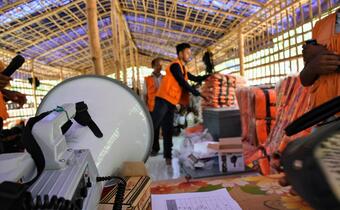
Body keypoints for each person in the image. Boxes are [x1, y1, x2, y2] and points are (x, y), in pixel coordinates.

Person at [151, 43, 209, 165]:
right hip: (162, 100)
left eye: (190, 53)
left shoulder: (184, 69)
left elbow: (194, 78)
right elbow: (183, 83)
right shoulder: (175, 66)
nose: (189, 55)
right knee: (152, 125)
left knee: (168, 130)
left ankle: (168, 157)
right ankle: (142, 149)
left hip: (171, 102)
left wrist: (208, 76)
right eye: (187, 53)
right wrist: (197, 93)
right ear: (180, 53)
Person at [143, 58, 164, 156]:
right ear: (153, 66)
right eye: (157, 65)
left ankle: (168, 150)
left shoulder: (165, 78)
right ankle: (155, 149)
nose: (160, 67)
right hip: (153, 108)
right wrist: (145, 108)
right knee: (154, 129)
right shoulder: (147, 79)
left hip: (165, 107)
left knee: (167, 129)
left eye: (161, 65)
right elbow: (144, 95)